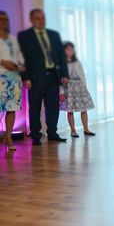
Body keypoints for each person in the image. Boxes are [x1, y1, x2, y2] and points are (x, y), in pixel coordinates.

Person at [18, 8, 69, 146]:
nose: (41, 21)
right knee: (34, 108)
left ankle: (52, 133)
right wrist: (25, 77)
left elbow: (61, 56)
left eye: (43, 18)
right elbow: (21, 58)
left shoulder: (54, 35)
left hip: (53, 76)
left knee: (53, 107)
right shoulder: (24, 36)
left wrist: (64, 74)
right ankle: (35, 135)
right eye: (38, 18)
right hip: (35, 78)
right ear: (31, 20)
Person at [0, 11, 25, 151]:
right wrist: (3, 61)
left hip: (13, 78)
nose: (3, 21)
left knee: (11, 108)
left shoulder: (12, 38)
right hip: (0, 76)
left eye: (5, 19)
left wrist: (20, 65)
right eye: (1, 19)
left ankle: (8, 136)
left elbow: (19, 55)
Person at [59, 42, 95, 138]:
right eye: (68, 49)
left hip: (79, 87)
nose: (70, 51)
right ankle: (73, 130)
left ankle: (86, 129)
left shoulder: (77, 62)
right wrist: (61, 91)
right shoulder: (61, 63)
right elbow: (59, 78)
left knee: (84, 109)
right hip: (68, 88)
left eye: (72, 49)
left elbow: (82, 75)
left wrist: (85, 88)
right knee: (70, 110)